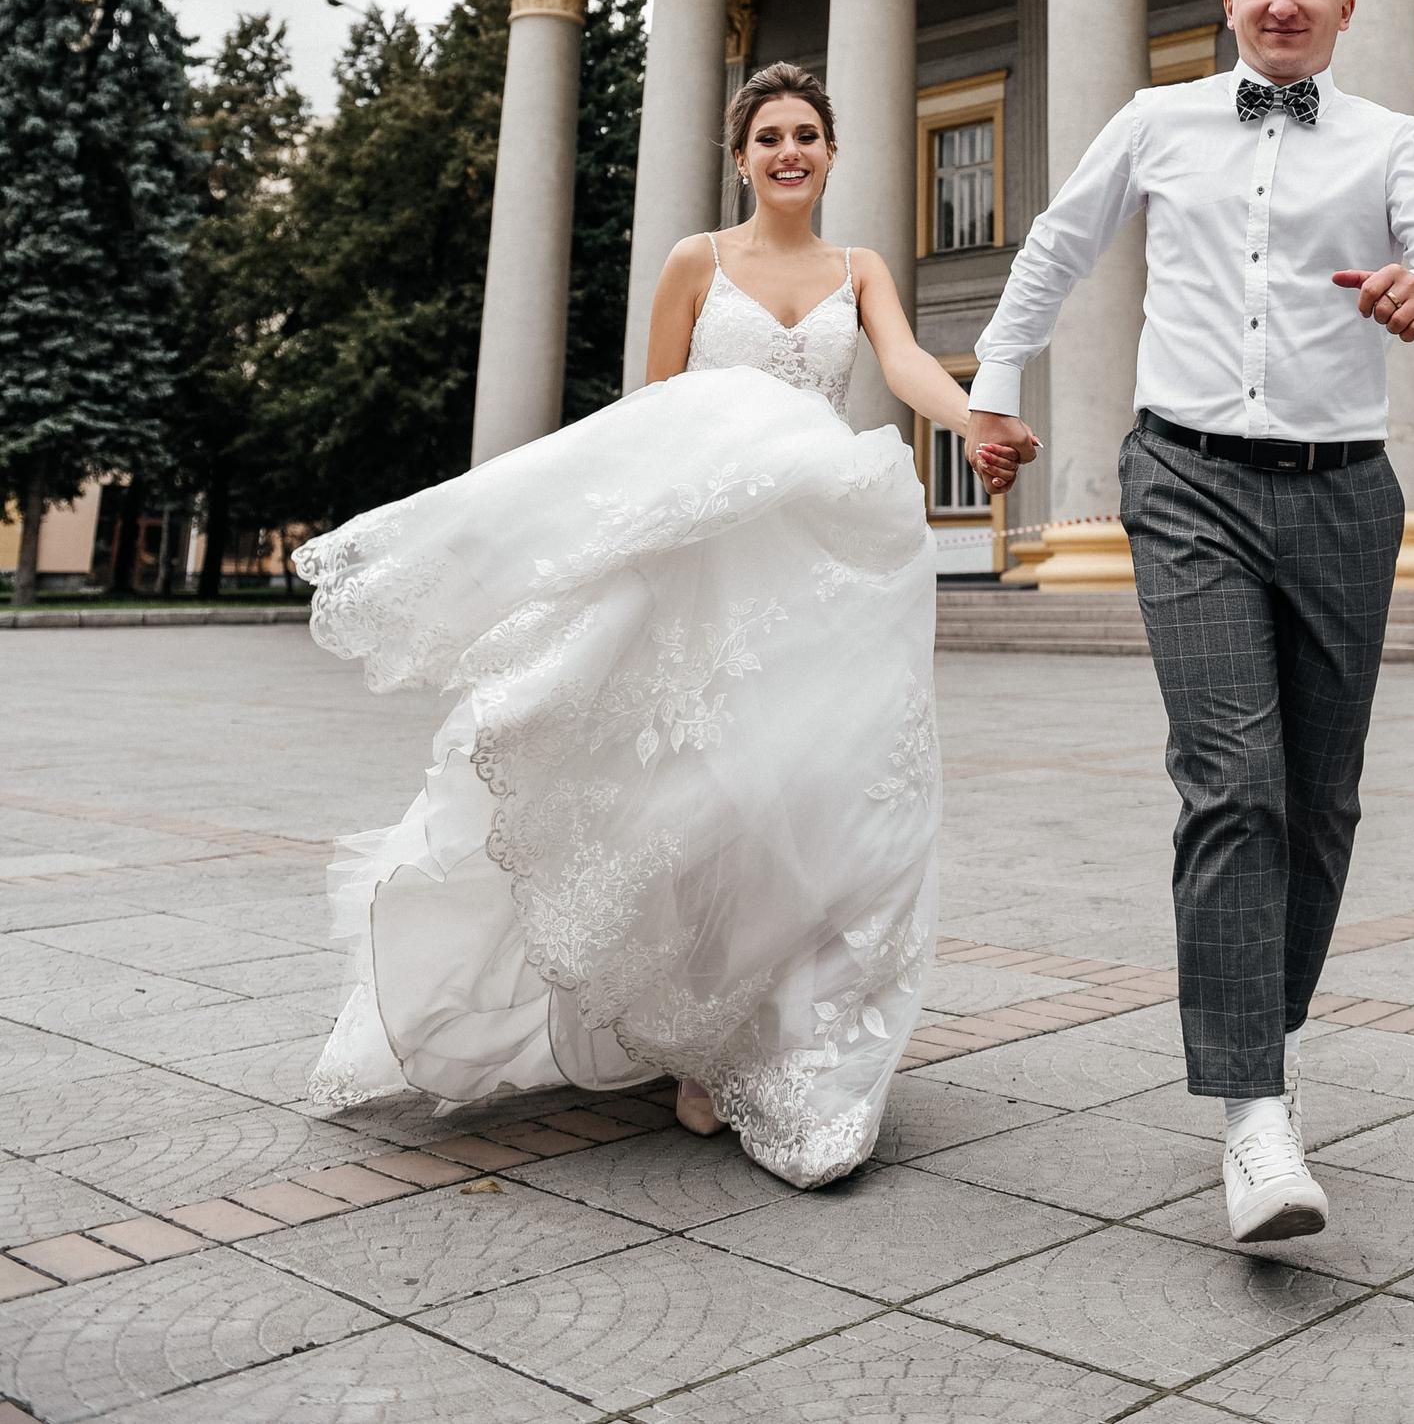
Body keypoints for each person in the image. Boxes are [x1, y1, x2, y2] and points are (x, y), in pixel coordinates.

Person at [295, 61, 999, 1190]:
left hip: (815, 564)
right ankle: (691, 1039)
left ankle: (775, 1033)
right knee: (699, 795)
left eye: (806, 133)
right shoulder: (694, 260)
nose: (787, 150)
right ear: (739, 154)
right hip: (702, 559)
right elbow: (653, 404)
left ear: (829, 152)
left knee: (808, 792)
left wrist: (977, 415)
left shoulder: (859, 267)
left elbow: (908, 362)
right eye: (767, 133)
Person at [967, 0, 1414, 1246]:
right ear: (1227, 2)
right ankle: (1254, 1111)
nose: (1281, 2)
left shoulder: (1390, 143)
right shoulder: (1158, 121)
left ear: (1345, 6)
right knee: (1234, 779)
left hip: (1342, 491)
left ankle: (1253, 1019)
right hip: (1187, 477)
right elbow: (1056, 247)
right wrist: (990, 392)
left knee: (1321, 802)